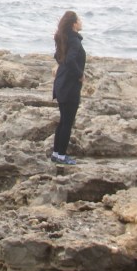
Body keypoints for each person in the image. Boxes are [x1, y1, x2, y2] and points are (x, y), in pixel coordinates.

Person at [51, 10, 85, 165]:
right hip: (70, 87)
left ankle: (56, 154)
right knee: (67, 122)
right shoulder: (74, 41)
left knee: (63, 121)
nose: (81, 22)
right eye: (79, 20)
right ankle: (62, 156)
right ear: (74, 24)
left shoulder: (64, 39)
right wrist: (80, 74)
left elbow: (58, 57)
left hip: (61, 84)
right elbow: (70, 60)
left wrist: (61, 67)